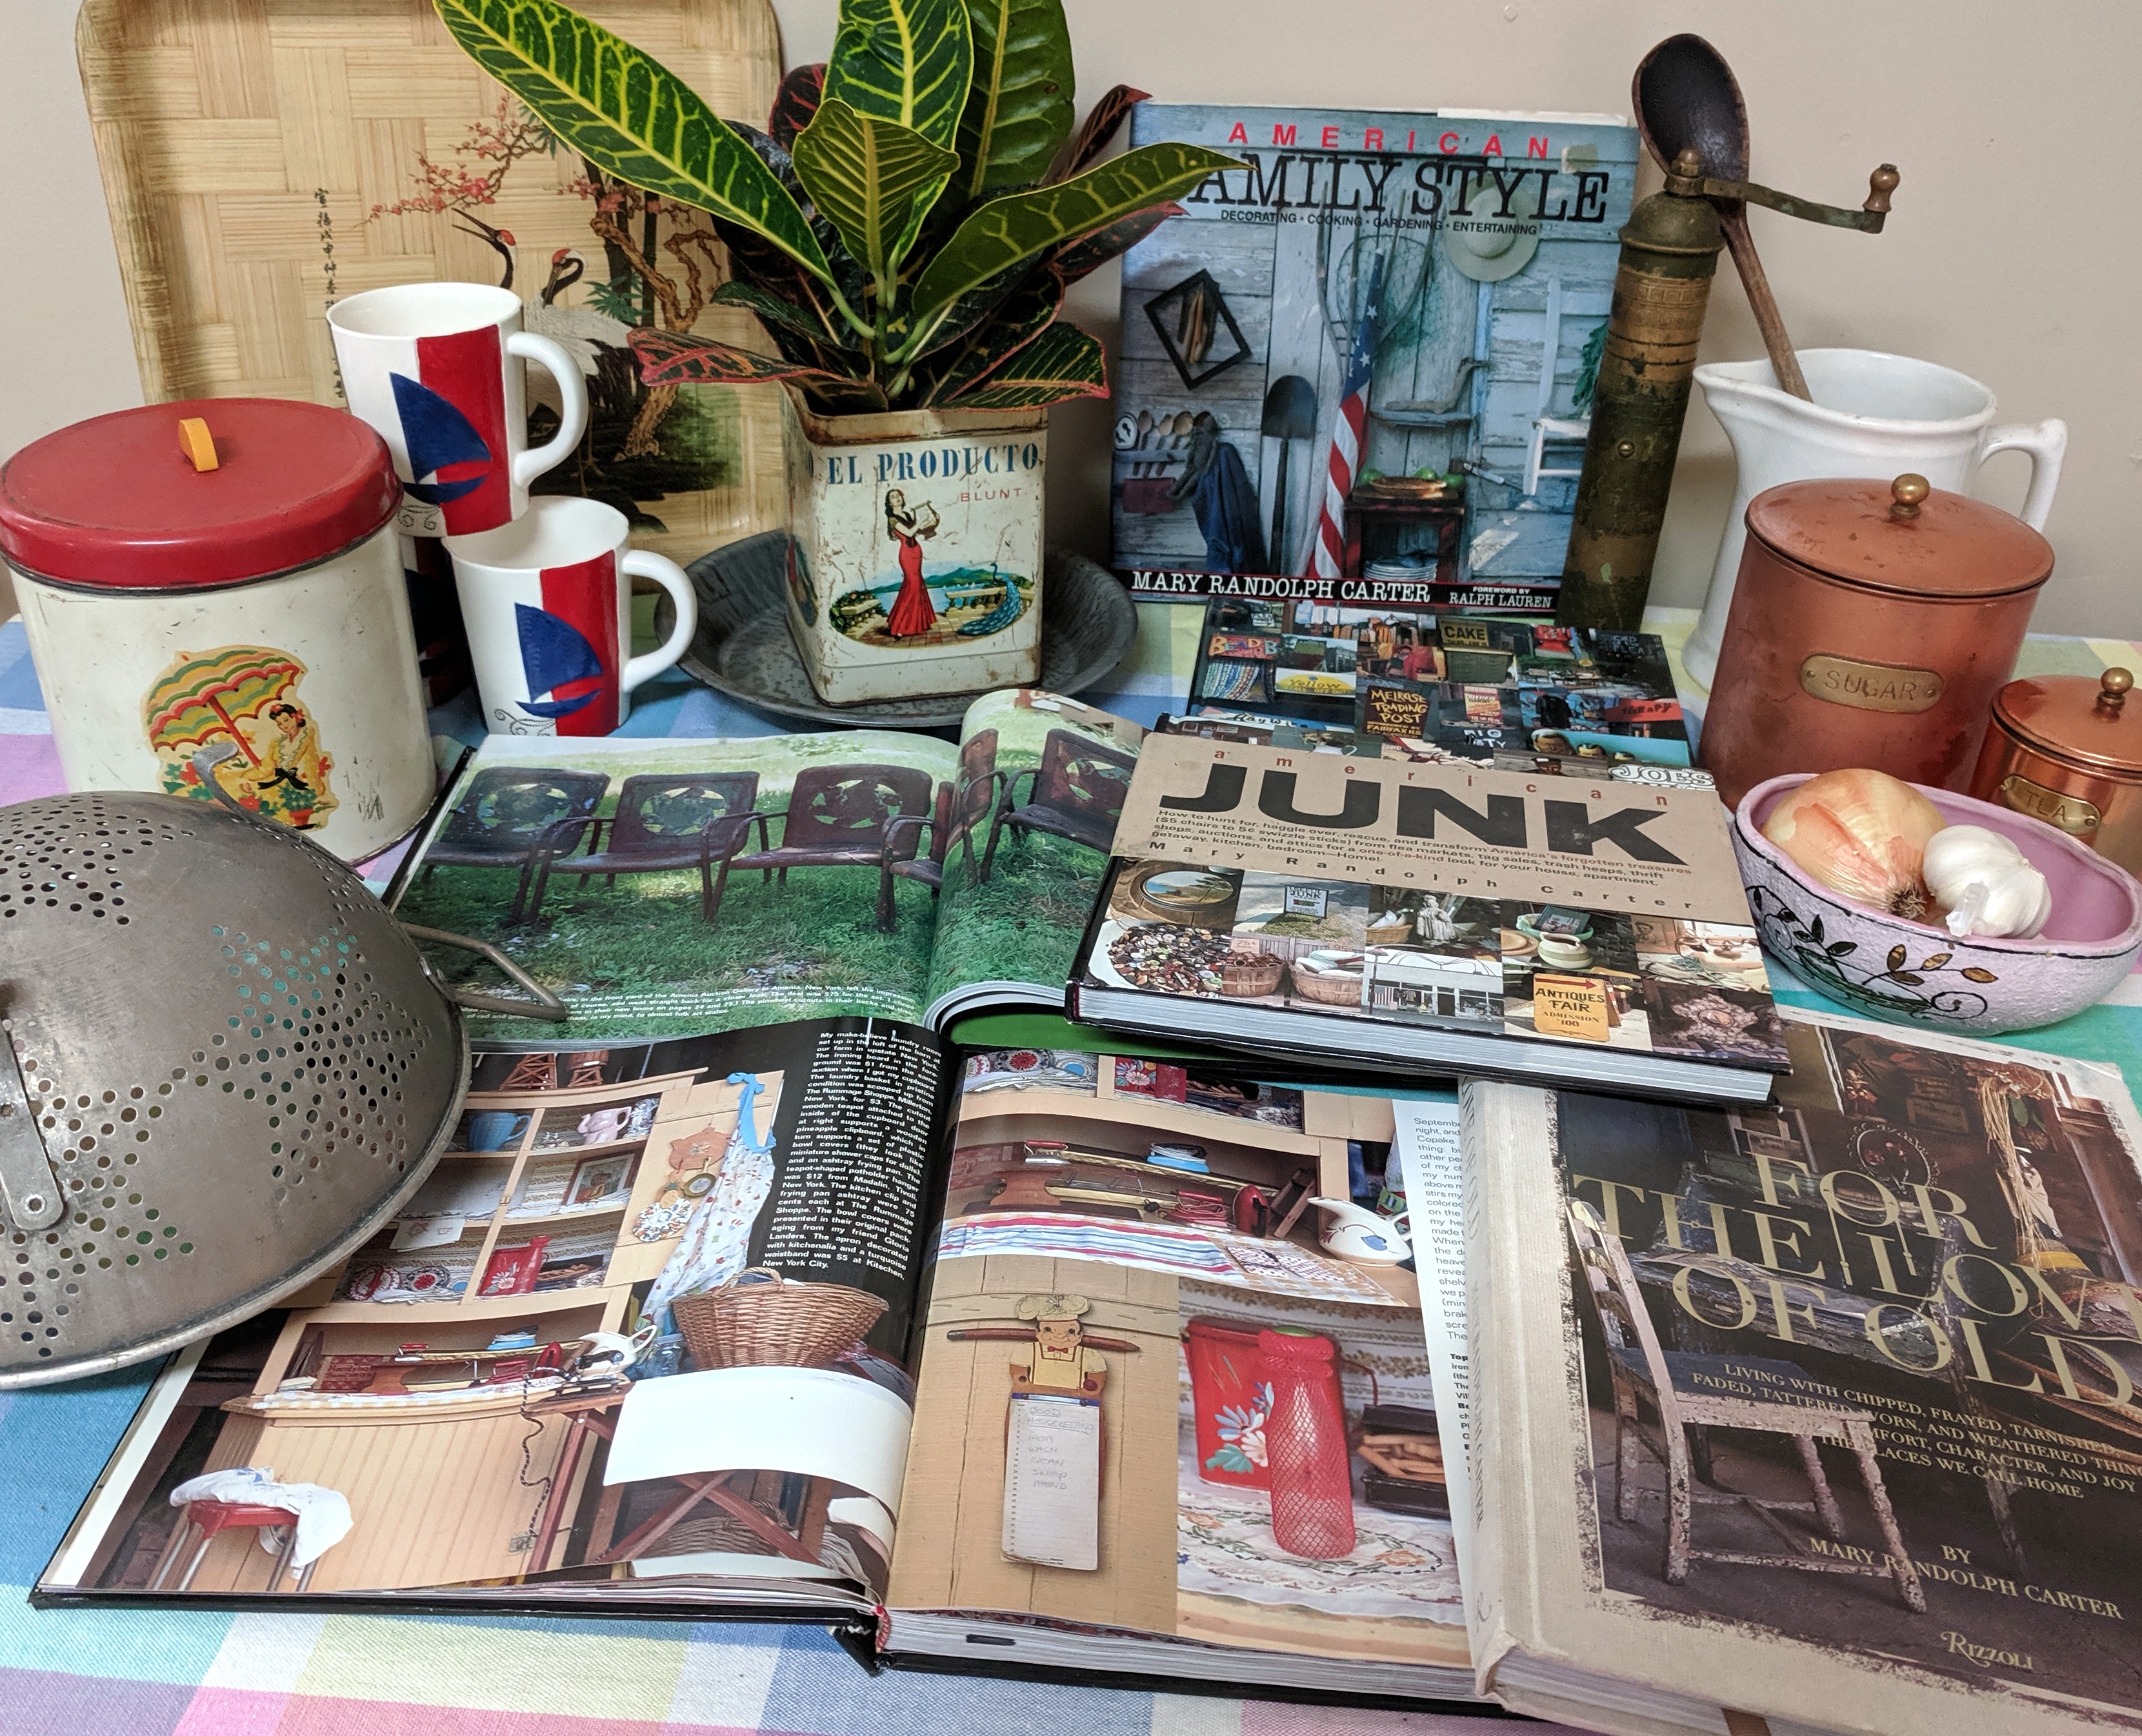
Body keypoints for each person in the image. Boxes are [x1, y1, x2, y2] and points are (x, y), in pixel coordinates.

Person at [883, 488, 939, 639]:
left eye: (898, 496)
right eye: (893, 497)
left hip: (916, 551)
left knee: (917, 584)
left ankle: (918, 623)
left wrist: (930, 521)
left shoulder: (907, 515)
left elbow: (917, 531)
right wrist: (920, 521)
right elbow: (909, 533)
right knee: (912, 585)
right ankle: (899, 626)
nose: (897, 498)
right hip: (907, 554)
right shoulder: (892, 519)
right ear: (889, 503)